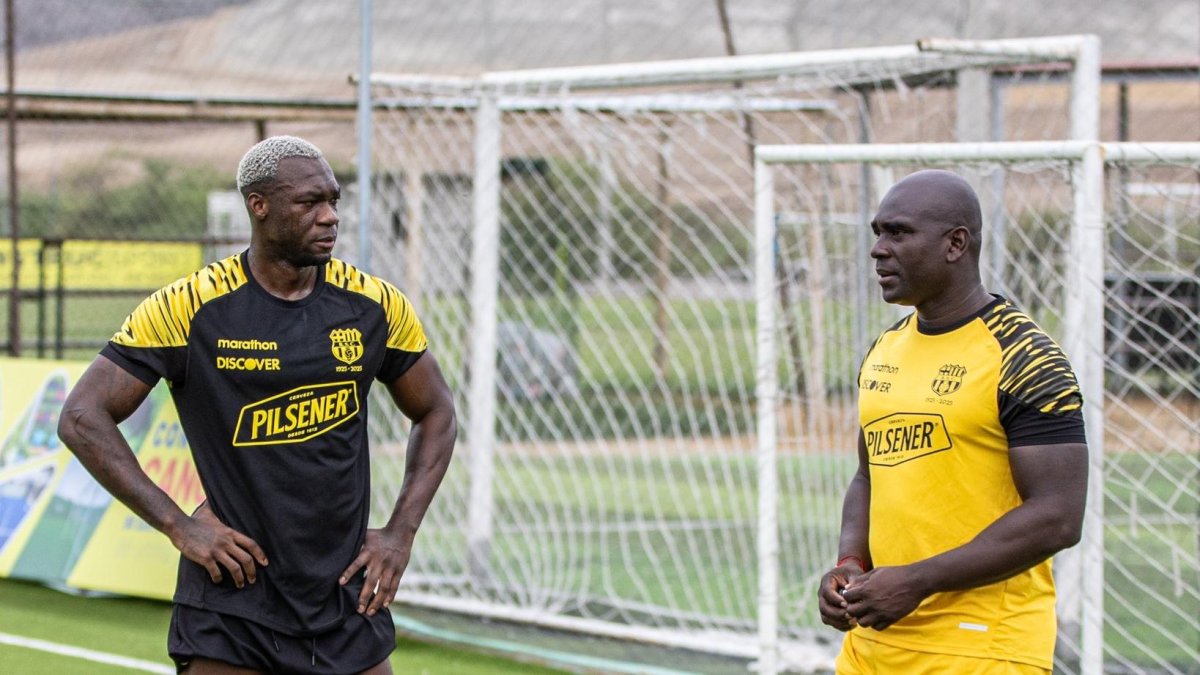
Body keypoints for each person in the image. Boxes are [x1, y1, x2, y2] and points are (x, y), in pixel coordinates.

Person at [58, 135, 456, 674]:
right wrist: (180, 526)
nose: (329, 217)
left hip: (345, 597)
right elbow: (82, 417)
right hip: (232, 604)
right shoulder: (189, 307)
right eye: (309, 202)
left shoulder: (374, 305)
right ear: (259, 206)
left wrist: (400, 533)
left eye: (334, 201)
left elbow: (436, 412)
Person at [816, 169, 1089, 673]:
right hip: (874, 647)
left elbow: (1058, 516)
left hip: (983, 650)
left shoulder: (1026, 356)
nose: (878, 249)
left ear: (955, 244)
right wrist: (850, 563)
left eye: (897, 233)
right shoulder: (885, 349)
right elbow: (868, 475)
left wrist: (917, 579)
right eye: (877, 232)